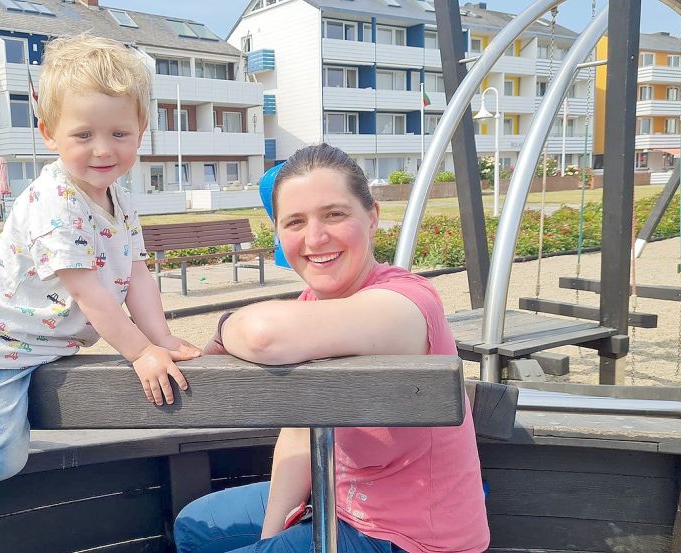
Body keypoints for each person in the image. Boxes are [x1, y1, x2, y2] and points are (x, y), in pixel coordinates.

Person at [0, 34, 201, 489]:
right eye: (83, 135)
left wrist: (160, 336)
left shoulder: (118, 197)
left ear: (141, 131)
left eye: (119, 134)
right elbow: (91, 292)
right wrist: (142, 352)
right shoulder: (55, 202)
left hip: (44, 343)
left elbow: (136, 272)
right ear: (49, 134)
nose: (103, 149)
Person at [173, 144, 489, 553]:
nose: (315, 237)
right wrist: (273, 536)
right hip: (337, 500)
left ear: (372, 217)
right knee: (197, 526)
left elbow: (262, 335)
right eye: (295, 222)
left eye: (334, 214)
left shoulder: (406, 302)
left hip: (410, 538)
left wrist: (222, 329)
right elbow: (299, 430)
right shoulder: (312, 306)